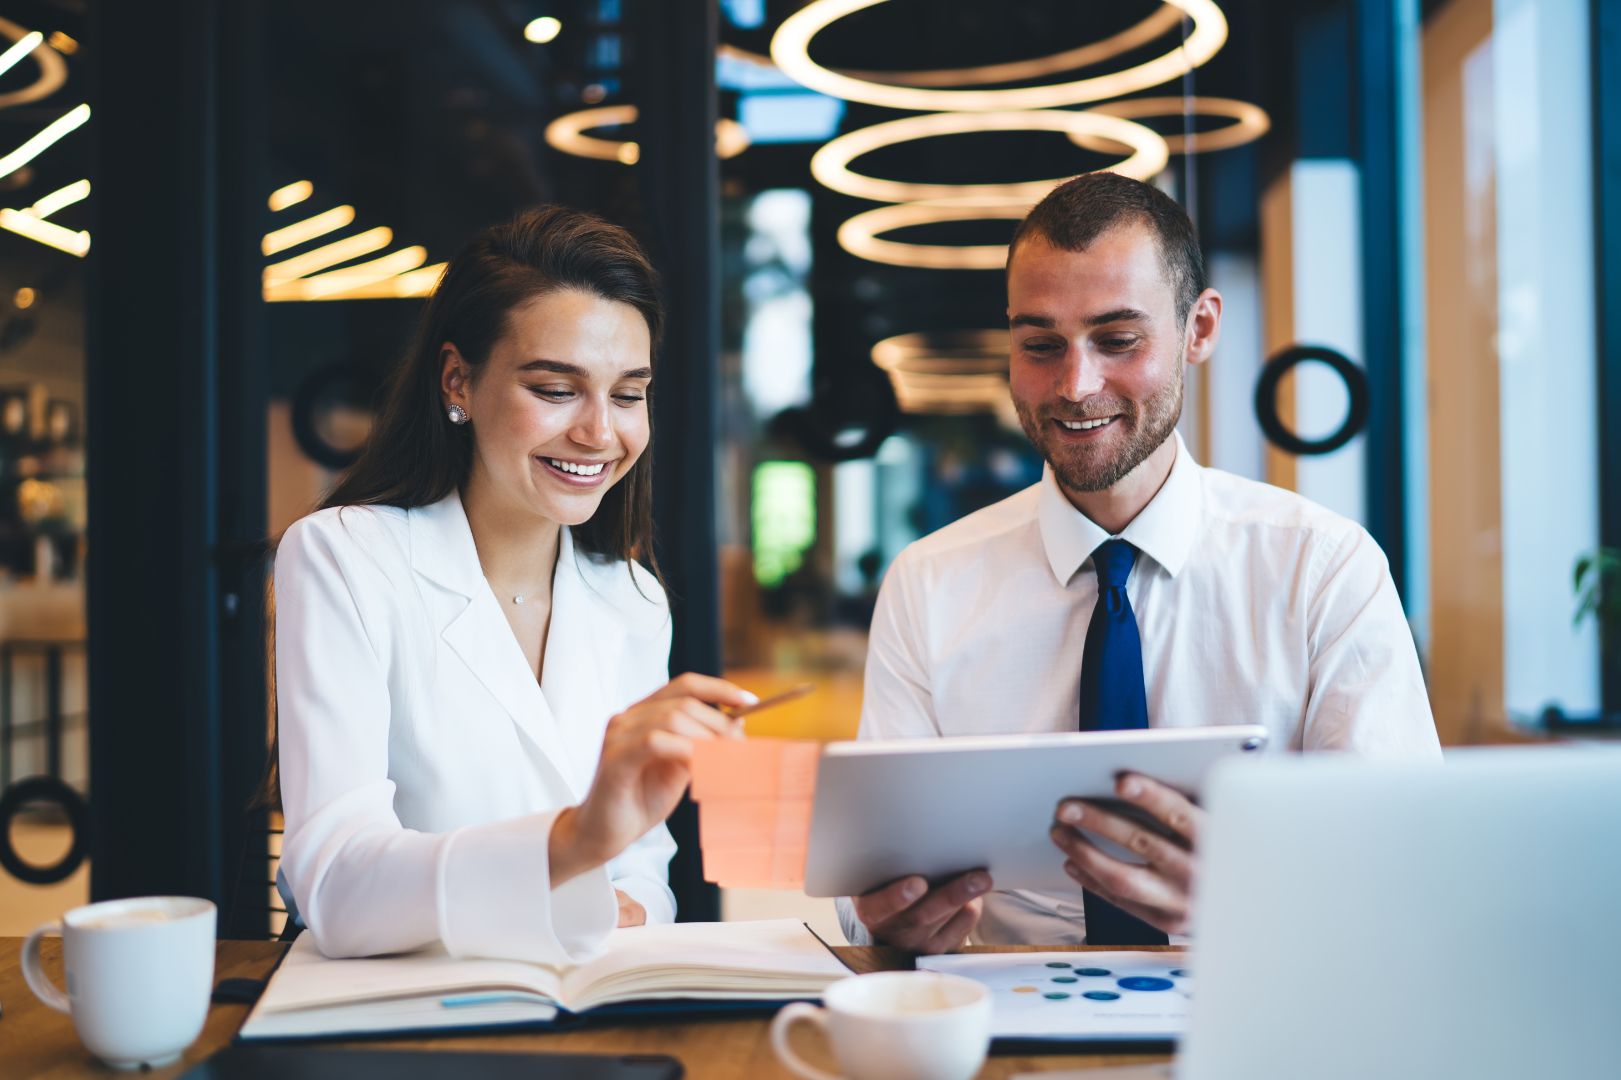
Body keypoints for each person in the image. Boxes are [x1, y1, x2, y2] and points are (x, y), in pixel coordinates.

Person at [838, 172, 1440, 953]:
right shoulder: (929, 583)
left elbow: (1408, 873)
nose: (1075, 385)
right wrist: (889, 917)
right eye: (1039, 345)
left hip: (1263, 1013)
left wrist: (1252, 899)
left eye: (1118, 341)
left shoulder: (1322, 569)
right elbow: (869, 889)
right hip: (999, 1030)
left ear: (1199, 328)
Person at [274, 206, 756, 964]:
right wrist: (569, 848)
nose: (599, 433)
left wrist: (624, 897)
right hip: (406, 1021)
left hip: (581, 1009)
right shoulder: (345, 556)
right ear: (458, 381)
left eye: (628, 394)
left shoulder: (630, 598)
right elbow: (334, 884)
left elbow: (643, 878)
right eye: (556, 389)